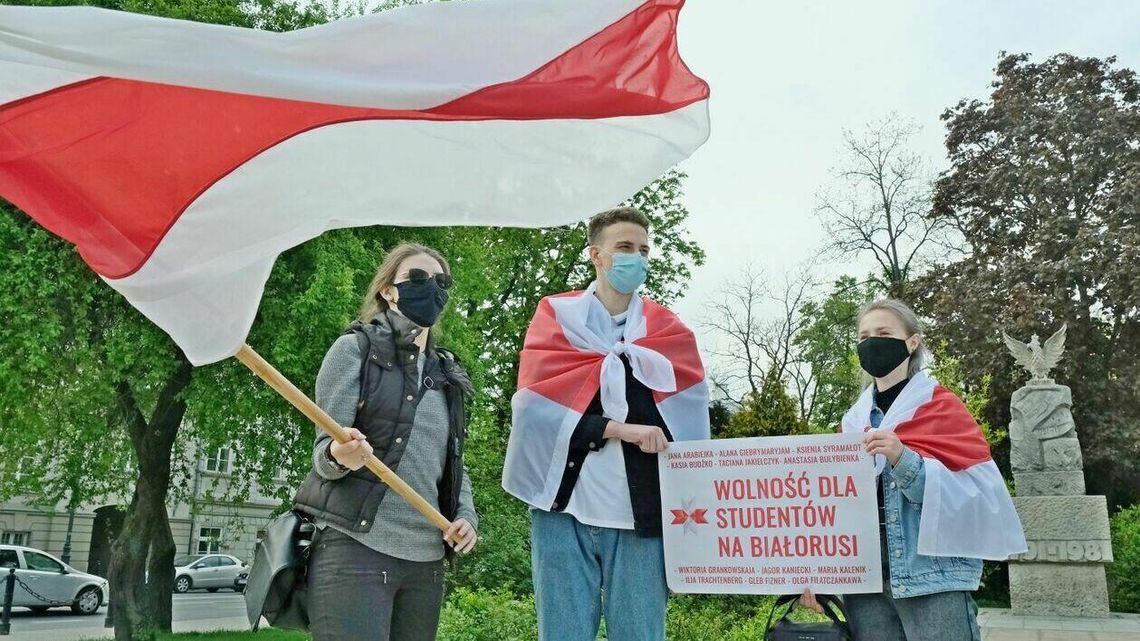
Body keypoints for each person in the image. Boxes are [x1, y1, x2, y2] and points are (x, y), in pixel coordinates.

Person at [502, 207, 711, 641]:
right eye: (625, 247)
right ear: (596, 255)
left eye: (644, 250)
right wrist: (618, 430)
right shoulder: (556, 319)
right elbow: (535, 416)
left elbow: (687, 432)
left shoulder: (669, 334)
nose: (637, 258)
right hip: (563, 513)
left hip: (640, 519)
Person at [800, 298, 1026, 641]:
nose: (871, 343)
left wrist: (902, 458)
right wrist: (819, 575)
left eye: (883, 333)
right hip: (866, 583)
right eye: (863, 337)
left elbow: (971, 496)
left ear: (912, 342)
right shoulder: (852, 423)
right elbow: (833, 511)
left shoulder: (941, 408)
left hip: (931, 576)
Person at [293, 242, 479, 641]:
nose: (431, 287)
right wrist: (340, 455)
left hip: (425, 561)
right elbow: (323, 459)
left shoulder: (448, 374)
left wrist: (466, 516)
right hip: (356, 548)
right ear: (388, 290)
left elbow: (453, 464)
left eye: (441, 281)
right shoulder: (354, 350)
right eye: (417, 277)